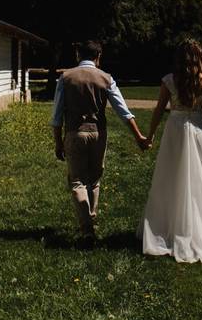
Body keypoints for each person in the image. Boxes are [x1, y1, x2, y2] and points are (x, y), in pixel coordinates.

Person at [138, 38, 202, 263]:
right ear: (200, 58)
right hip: (200, 131)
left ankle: (171, 226)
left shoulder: (169, 81)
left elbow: (158, 110)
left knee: (172, 177)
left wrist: (150, 134)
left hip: (175, 129)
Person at [50, 40, 149, 246]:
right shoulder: (106, 78)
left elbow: (57, 115)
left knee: (77, 180)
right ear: (98, 56)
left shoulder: (66, 78)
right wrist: (138, 136)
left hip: (74, 132)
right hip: (98, 133)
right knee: (94, 179)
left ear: (78, 55)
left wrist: (58, 142)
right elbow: (123, 111)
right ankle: (91, 220)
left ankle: (86, 228)